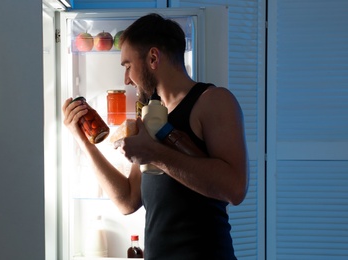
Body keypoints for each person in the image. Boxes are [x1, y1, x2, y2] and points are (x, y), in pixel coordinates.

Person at [63, 13, 249, 260]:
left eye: (128, 66)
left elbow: (235, 189)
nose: (126, 79)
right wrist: (84, 142)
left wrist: (153, 153)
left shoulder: (213, 101)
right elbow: (128, 200)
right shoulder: (149, 115)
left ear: (153, 58)